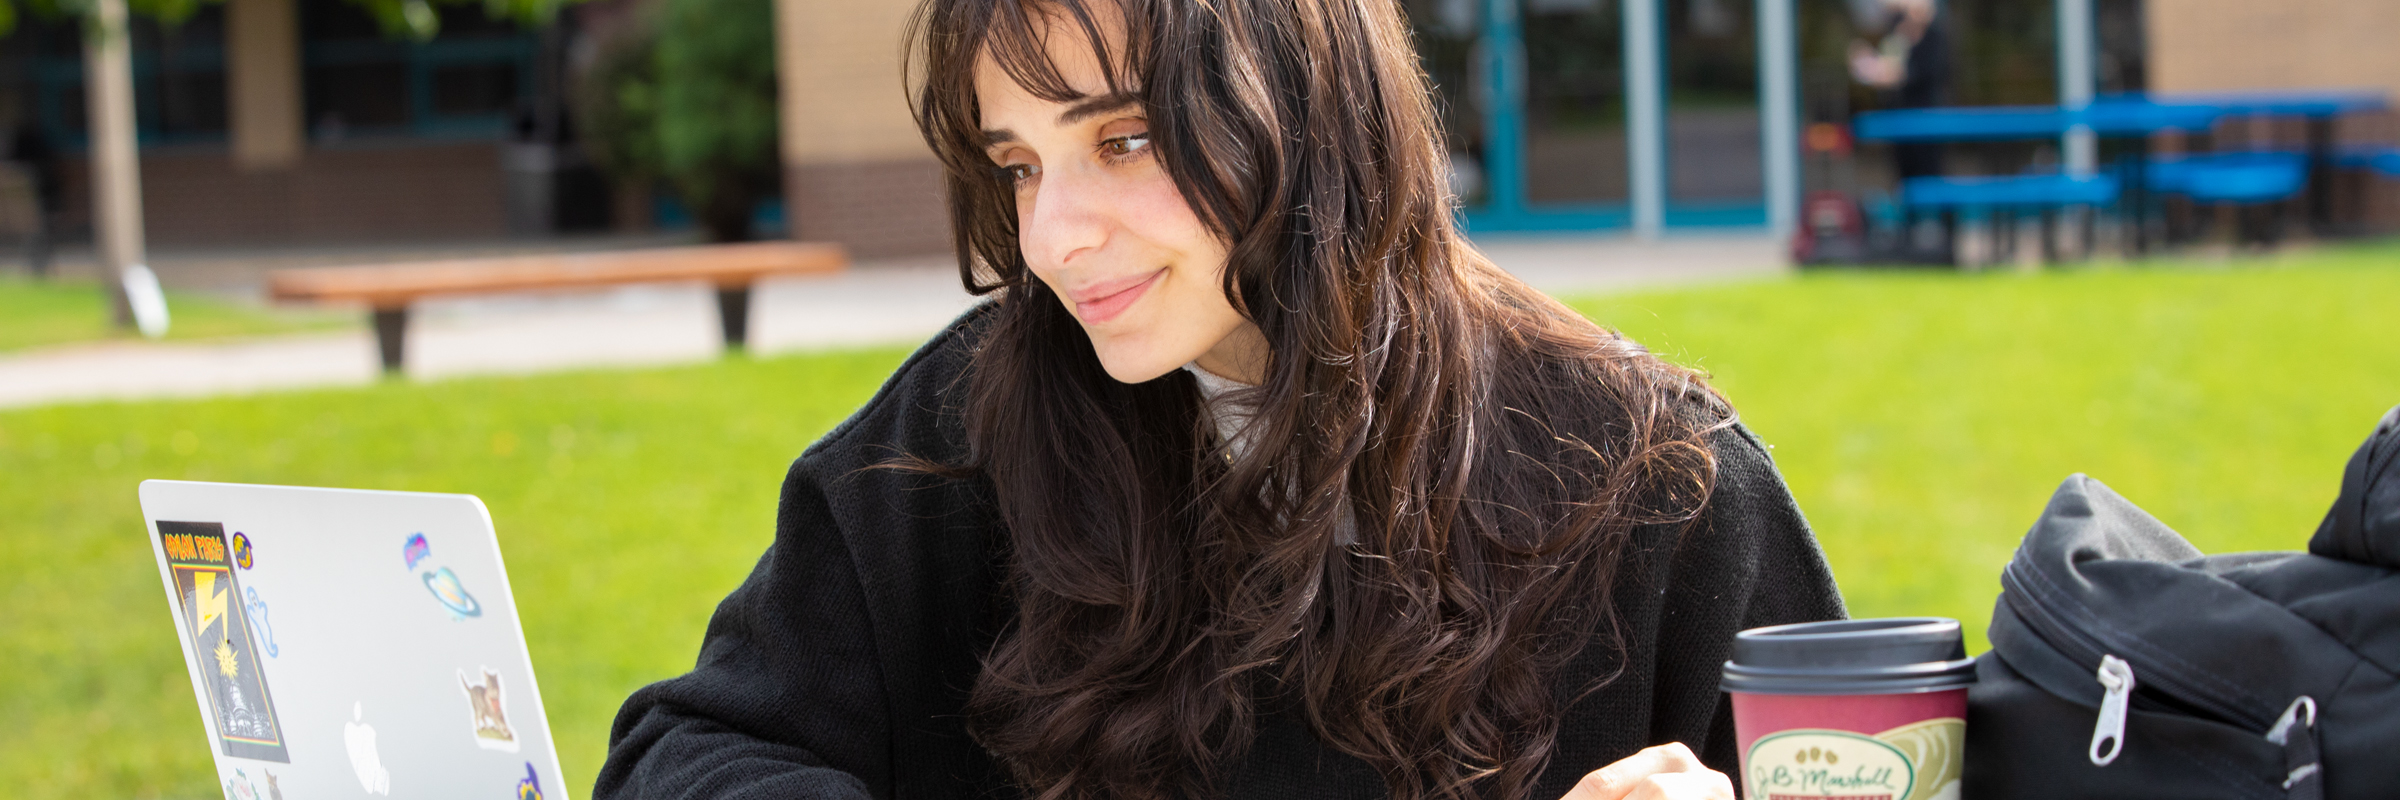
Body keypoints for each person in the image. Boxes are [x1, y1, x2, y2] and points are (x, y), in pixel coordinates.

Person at [595, 1, 1843, 799]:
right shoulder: (961, 431)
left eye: (1125, 139)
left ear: (1309, 111)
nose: (1056, 236)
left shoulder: (1655, 482)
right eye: (1018, 164)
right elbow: (690, 752)